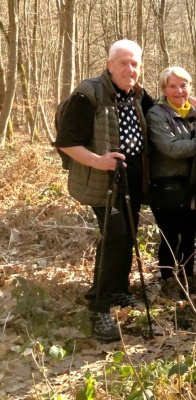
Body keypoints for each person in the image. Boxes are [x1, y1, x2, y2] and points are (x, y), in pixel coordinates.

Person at [55, 39, 154, 341]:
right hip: (103, 181)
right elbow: (67, 142)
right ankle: (98, 307)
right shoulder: (89, 94)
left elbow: (161, 113)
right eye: (122, 62)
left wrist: (193, 109)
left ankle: (118, 290)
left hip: (132, 181)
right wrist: (99, 161)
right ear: (109, 65)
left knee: (128, 233)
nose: (129, 68)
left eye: (134, 63)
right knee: (116, 236)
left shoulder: (136, 94)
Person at [145, 66, 196, 300]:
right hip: (165, 186)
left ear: (189, 87)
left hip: (191, 186)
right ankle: (167, 280)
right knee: (170, 237)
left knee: (189, 235)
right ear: (164, 89)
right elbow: (170, 148)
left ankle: (189, 278)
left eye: (183, 85)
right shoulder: (156, 114)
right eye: (172, 86)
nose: (178, 90)